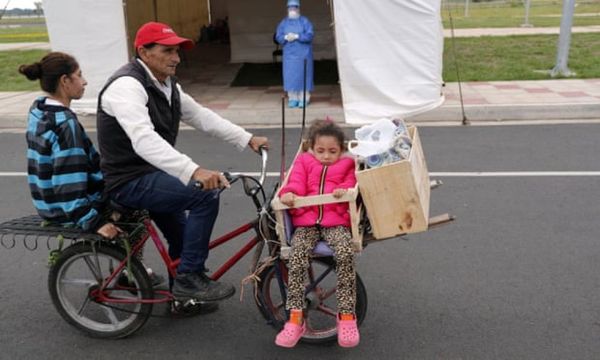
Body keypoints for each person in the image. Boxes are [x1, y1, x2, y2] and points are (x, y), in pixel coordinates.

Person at [96, 22, 269, 303]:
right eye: (168, 51)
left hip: (154, 175)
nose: (176, 58)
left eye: (177, 51)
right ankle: (189, 278)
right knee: (205, 195)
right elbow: (143, 139)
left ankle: (183, 299)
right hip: (129, 180)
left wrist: (246, 138)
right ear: (144, 51)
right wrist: (195, 171)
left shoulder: (166, 84)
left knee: (184, 238)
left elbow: (201, 116)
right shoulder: (127, 86)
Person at [275, 119, 360, 348]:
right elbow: (295, 182)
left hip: (335, 222)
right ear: (312, 148)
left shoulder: (347, 166)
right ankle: (295, 318)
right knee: (297, 255)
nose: (325, 156)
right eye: (320, 150)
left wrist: (345, 190)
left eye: (332, 151)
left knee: (344, 254)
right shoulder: (304, 162)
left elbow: (352, 183)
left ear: (341, 150)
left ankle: (346, 317)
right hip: (307, 222)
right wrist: (290, 193)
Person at [20, 52, 121, 240]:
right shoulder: (64, 125)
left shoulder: (38, 110)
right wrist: (92, 221)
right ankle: (130, 267)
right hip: (67, 209)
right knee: (138, 202)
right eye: (79, 75)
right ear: (65, 80)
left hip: (46, 203)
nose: (85, 82)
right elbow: (67, 180)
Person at [275, 0, 314, 109]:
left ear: (298, 8)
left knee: (303, 76)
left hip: (303, 55)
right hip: (289, 56)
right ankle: (293, 98)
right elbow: (278, 36)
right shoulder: (284, 23)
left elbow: (310, 35)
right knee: (290, 76)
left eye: (294, 8)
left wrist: (297, 36)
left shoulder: (305, 21)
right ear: (287, 9)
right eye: (290, 8)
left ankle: (304, 98)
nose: (292, 10)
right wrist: (285, 37)